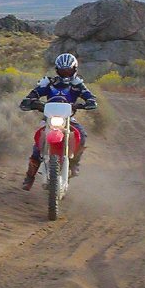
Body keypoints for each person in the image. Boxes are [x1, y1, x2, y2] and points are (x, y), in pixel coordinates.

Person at [19, 53, 97, 190]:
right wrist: (30, 101)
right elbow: (34, 94)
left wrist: (89, 102)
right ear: (57, 70)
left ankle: (74, 164)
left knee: (82, 135)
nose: (65, 73)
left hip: (68, 118)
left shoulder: (77, 84)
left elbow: (89, 96)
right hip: (49, 118)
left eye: (68, 70)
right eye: (62, 70)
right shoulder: (48, 83)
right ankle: (29, 176)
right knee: (38, 144)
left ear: (74, 70)